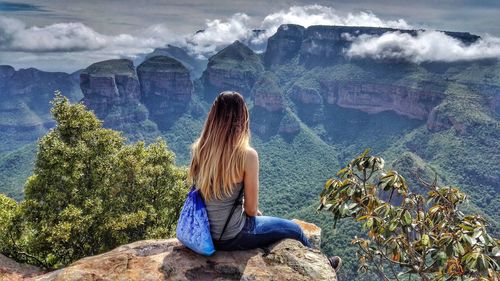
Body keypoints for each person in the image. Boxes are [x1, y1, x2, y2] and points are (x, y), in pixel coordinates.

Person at [188, 91, 341, 272]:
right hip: (232, 236)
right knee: (296, 230)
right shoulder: (247, 155)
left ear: (213, 117)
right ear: (242, 118)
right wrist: (250, 211)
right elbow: (252, 211)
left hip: (203, 235)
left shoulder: (200, 148)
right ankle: (323, 267)